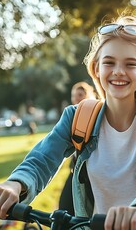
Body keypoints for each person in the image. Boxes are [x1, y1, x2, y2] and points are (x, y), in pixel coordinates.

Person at [0, 15, 136, 230]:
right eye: (109, 62)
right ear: (96, 68)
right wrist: (15, 184)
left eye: (130, 64)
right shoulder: (77, 117)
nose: (119, 72)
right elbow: (42, 158)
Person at [58, 81, 96, 215]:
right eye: (74, 95)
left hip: (93, 174)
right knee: (64, 208)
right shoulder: (71, 115)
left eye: (80, 94)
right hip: (76, 170)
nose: (76, 98)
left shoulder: (96, 115)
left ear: (88, 95)